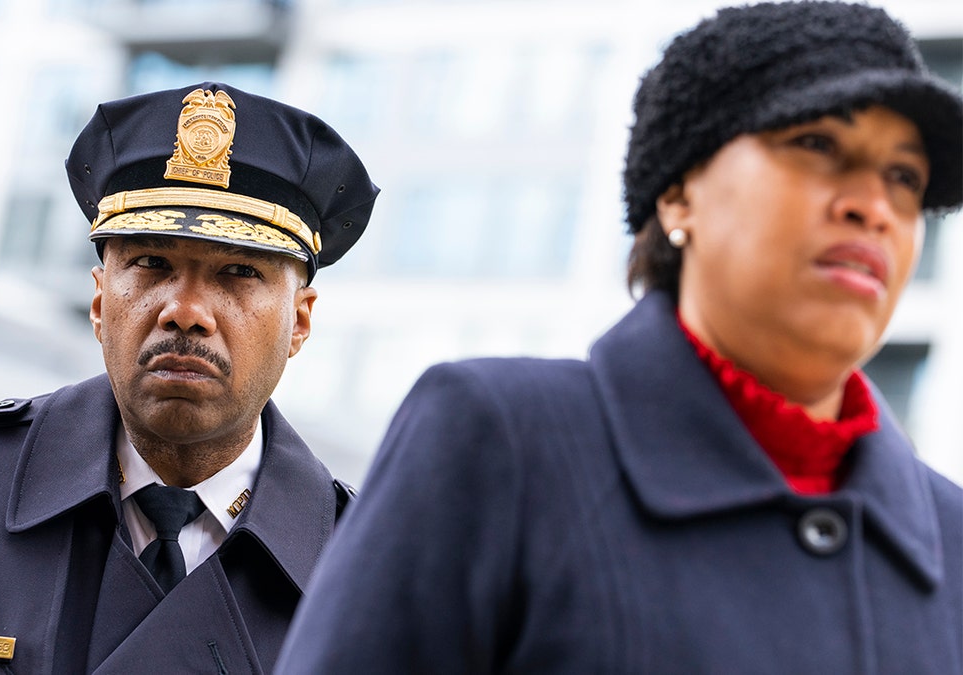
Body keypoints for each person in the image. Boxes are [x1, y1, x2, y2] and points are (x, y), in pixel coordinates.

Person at [274, 3, 962, 673]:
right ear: (679, 195)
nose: (873, 206)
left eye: (904, 177)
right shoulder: (501, 438)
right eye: (816, 145)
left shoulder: (951, 535)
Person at [0, 82, 378, 673]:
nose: (185, 311)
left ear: (298, 322)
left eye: (238, 272)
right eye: (151, 262)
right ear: (99, 301)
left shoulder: (367, 582)